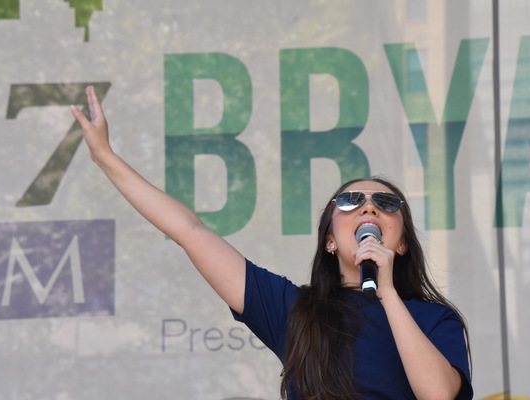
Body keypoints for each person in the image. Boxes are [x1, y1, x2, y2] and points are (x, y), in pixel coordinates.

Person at [71, 86, 473, 400]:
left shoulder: (435, 320)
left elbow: (437, 394)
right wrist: (105, 157)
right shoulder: (295, 311)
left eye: (385, 203)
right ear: (330, 241)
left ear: (401, 244)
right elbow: (189, 231)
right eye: (351, 201)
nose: (368, 208)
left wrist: (386, 292)